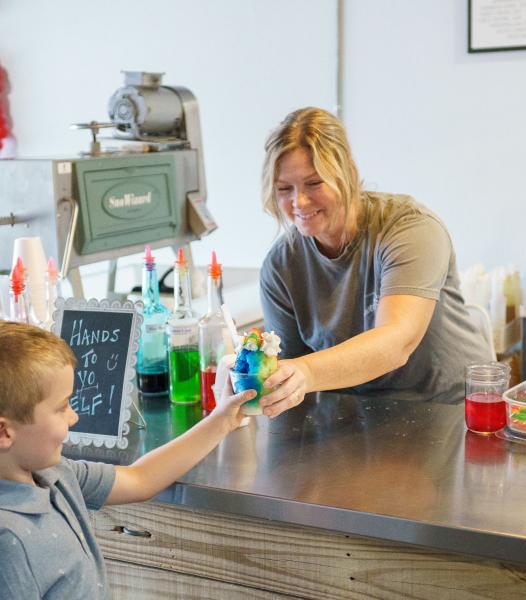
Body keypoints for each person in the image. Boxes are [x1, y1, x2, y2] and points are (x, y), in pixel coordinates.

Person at [258, 107, 490, 417]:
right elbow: (287, 379)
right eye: (284, 189)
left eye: (314, 183)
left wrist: (305, 372)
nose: (298, 202)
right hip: (357, 417)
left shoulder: (409, 229)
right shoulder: (281, 266)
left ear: (349, 175)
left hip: (449, 413)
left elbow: (396, 342)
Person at [0, 321, 255, 600]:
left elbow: (140, 478)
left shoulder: (55, 473)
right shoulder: (8, 543)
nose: (74, 417)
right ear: (4, 432)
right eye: (62, 407)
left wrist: (223, 419)